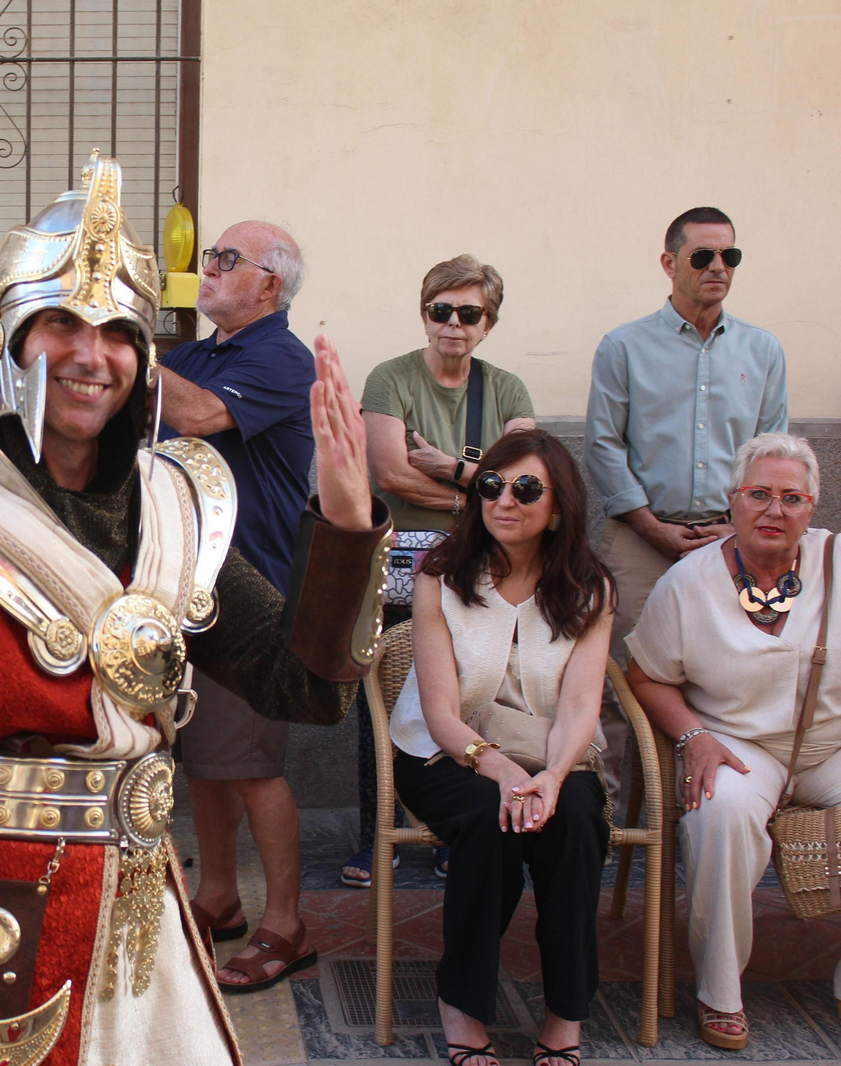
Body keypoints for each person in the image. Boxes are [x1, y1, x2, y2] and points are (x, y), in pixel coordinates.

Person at [0, 153, 392, 1066]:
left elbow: (309, 688)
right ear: (11, 344)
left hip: (135, 906)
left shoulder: (174, 507)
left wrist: (348, 529)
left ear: (143, 355)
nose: (92, 354)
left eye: (116, 331)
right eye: (59, 325)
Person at [392, 429, 614, 1066]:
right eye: (491, 485)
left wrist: (549, 777)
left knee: (574, 820)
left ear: (559, 508)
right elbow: (438, 713)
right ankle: (461, 1004)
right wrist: (505, 773)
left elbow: (579, 708)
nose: (504, 500)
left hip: (556, 753)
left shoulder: (590, 587)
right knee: (490, 822)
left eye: (525, 489)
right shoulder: (441, 571)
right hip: (446, 753)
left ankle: (565, 1012)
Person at [625, 432, 836, 1052]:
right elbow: (645, 675)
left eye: (792, 498)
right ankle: (720, 991)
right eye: (759, 494)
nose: (775, 510)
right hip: (742, 745)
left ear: (812, 507)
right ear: (733, 500)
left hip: (832, 744)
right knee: (720, 816)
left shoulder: (836, 562)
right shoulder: (688, 584)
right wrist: (692, 735)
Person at [155, 220, 320, 989]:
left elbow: (194, 417)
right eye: (208, 258)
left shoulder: (282, 358)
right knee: (205, 757)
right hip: (186, 588)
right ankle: (218, 897)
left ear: (269, 285)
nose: (209, 270)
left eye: (227, 260)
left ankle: (286, 924)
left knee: (253, 765)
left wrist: (123, 348)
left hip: (253, 595)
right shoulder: (198, 354)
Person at [345, 256, 535, 887]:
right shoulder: (391, 378)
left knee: (471, 698)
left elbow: (528, 486)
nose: (453, 324)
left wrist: (450, 469)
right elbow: (392, 472)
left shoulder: (506, 388)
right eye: (440, 311)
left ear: (490, 322)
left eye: (468, 313)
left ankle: (458, 826)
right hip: (401, 567)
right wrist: (479, 495)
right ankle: (377, 835)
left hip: (482, 571)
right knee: (381, 701)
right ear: (425, 314)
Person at [586, 207, 787, 796]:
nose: (718, 267)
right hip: (640, 539)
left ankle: (707, 808)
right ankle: (612, 822)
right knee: (620, 680)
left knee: (726, 677)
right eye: (703, 256)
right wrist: (650, 526)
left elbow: (770, 453)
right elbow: (602, 445)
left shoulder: (763, 350)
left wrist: (736, 526)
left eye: (730, 256)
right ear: (670, 263)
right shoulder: (623, 347)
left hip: (734, 544)